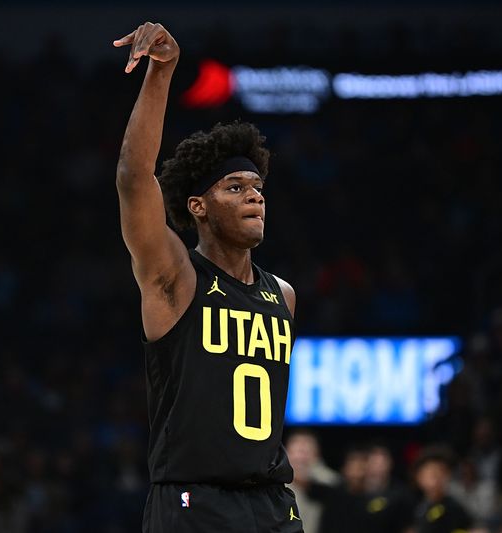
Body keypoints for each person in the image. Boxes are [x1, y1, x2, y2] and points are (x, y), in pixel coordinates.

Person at [113, 22, 302, 533]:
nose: (255, 196)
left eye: (257, 187)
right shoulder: (175, 278)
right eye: (235, 187)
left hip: (274, 504)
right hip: (194, 503)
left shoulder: (281, 296)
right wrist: (162, 70)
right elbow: (134, 177)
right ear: (198, 206)